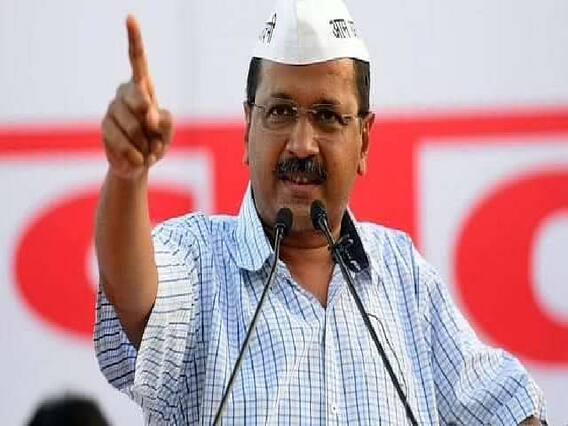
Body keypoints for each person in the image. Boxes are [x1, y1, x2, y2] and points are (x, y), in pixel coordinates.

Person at [94, 0, 546, 424]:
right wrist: (127, 175)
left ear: (364, 140)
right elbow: (132, 289)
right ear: (248, 128)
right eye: (280, 112)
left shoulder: (402, 274)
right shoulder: (199, 259)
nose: (302, 144)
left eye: (327, 116)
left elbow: (503, 407)